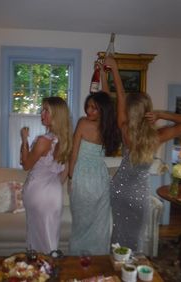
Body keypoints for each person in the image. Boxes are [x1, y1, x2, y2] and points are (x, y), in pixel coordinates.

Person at [103, 56, 181, 253]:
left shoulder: (125, 130)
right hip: (137, 195)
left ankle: (116, 267)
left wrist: (114, 70)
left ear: (130, 112)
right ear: (147, 112)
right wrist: (162, 114)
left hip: (118, 190)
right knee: (134, 239)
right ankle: (130, 271)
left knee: (118, 235)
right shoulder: (157, 136)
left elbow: (120, 95)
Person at [68, 89, 121, 255]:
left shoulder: (84, 123)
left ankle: (81, 256)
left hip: (88, 176)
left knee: (89, 222)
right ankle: (96, 257)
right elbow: (73, 152)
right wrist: (71, 177)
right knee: (94, 222)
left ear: (103, 110)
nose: (89, 111)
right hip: (96, 177)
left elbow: (74, 152)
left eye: (94, 108)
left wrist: (71, 176)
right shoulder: (110, 127)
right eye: (88, 106)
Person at [20, 96, 73, 254]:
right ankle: (49, 270)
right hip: (54, 194)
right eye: (42, 109)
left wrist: (24, 140)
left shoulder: (44, 140)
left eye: (46, 110)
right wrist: (53, 185)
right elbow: (64, 173)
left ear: (56, 115)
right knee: (50, 238)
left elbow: (26, 165)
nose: (42, 113)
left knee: (38, 239)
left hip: (38, 193)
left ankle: (41, 272)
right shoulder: (66, 140)